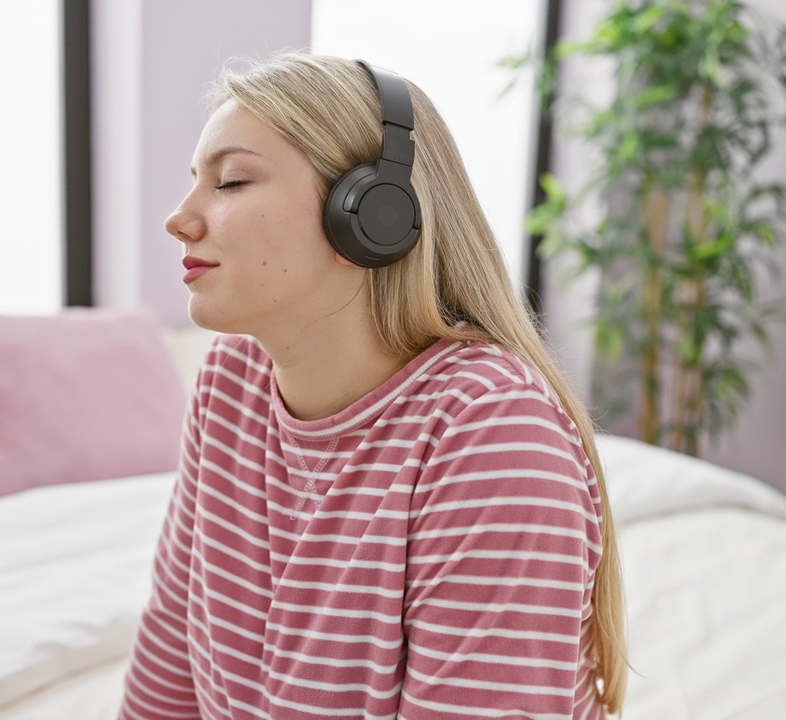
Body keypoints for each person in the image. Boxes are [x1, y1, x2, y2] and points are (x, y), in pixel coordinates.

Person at [119, 52, 625, 720]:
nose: (179, 219)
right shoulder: (230, 382)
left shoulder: (490, 436)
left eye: (232, 181)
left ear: (369, 213)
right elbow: (172, 656)